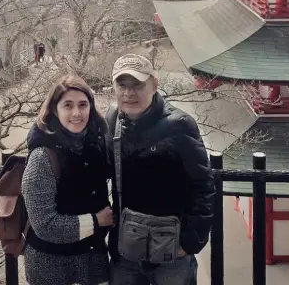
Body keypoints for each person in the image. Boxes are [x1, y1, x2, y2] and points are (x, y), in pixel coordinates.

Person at [106, 54, 215, 285]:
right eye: (122, 85)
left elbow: (203, 186)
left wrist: (189, 243)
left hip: (171, 250)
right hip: (126, 248)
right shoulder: (112, 120)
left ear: (154, 84)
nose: (129, 92)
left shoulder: (178, 125)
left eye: (137, 85)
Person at [22, 75, 114, 285]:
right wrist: (97, 221)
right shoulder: (43, 157)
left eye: (83, 105)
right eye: (68, 105)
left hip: (92, 260)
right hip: (51, 266)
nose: (76, 113)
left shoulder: (96, 146)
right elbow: (44, 225)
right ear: (55, 110)